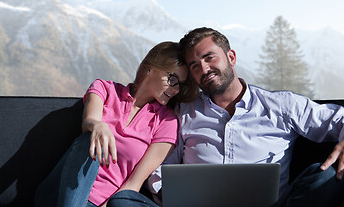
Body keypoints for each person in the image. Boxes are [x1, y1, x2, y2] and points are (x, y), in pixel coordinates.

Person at [146, 27, 344, 207]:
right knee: (125, 201)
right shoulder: (183, 113)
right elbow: (159, 169)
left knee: (325, 176)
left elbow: (337, 118)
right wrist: (173, 195)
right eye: (194, 66)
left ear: (231, 57)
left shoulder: (282, 105)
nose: (204, 69)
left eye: (209, 58)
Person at [34, 41, 198, 207]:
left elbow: (133, 186)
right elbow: (88, 121)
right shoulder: (105, 89)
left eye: (181, 85)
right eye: (172, 79)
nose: (176, 89)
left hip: (102, 204)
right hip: (59, 195)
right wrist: (97, 125)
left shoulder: (167, 122)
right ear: (151, 68)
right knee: (89, 139)